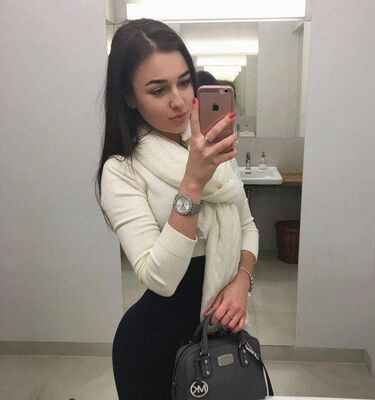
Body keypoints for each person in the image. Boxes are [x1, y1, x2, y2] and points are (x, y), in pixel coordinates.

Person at [95, 18, 259, 400]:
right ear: (129, 97)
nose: (180, 100)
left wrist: (241, 283)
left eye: (185, 82)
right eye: (158, 89)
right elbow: (161, 278)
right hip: (151, 349)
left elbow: (248, 227)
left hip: (219, 337)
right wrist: (192, 184)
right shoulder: (122, 171)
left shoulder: (210, 145)